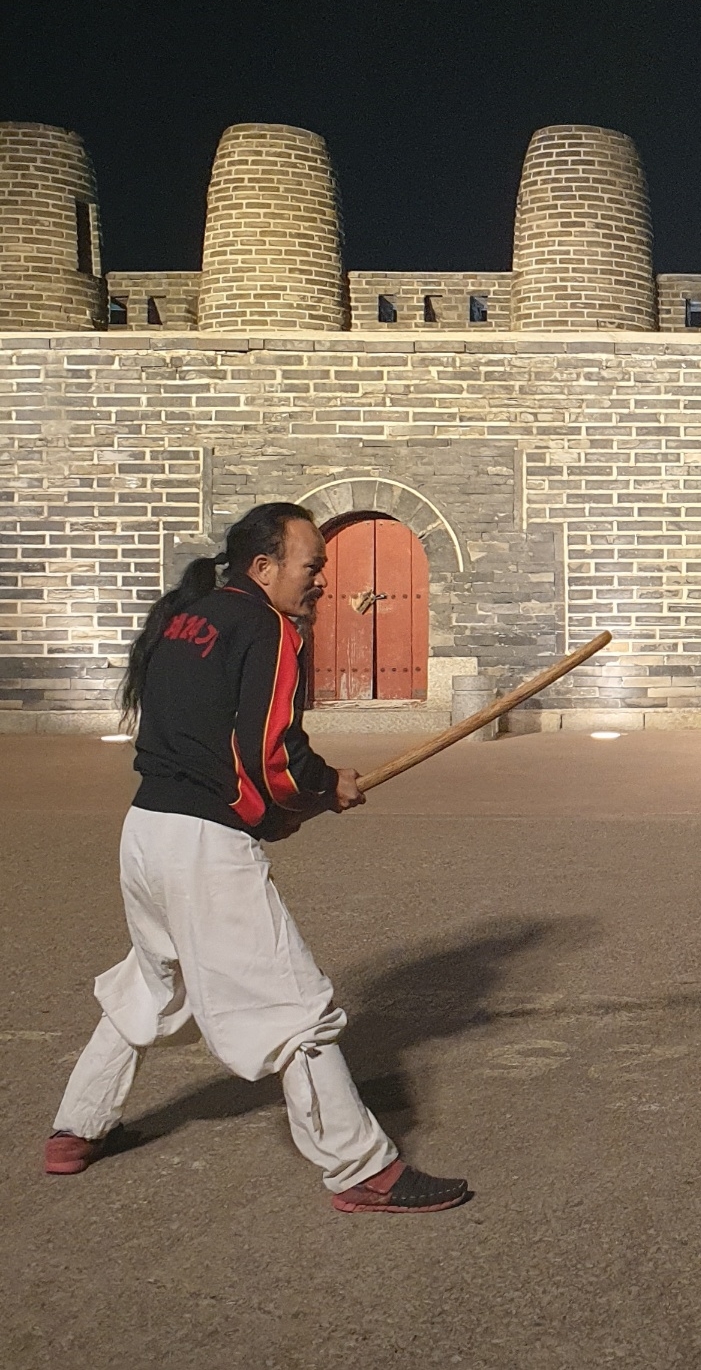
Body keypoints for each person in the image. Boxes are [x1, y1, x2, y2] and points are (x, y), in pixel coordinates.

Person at [46, 502, 470, 1214]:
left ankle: (74, 1128)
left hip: (147, 831)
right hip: (202, 850)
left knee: (156, 981)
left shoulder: (189, 615)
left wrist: (284, 807)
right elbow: (270, 754)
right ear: (264, 566)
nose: (321, 583)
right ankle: (363, 1170)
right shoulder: (268, 628)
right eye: (312, 567)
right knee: (293, 1008)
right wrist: (315, 790)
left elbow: (213, 745)